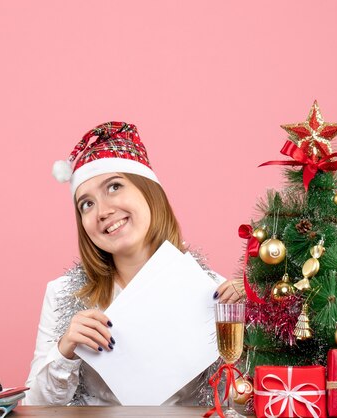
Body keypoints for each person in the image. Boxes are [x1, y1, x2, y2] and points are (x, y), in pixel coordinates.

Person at [23, 121, 241, 406]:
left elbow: (241, 401)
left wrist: (257, 323)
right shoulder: (62, 293)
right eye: (86, 204)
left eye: (114, 187)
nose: (102, 211)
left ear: (149, 192)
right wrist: (65, 351)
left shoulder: (213, 291)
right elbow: (33, 406)